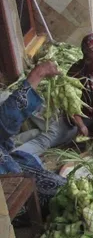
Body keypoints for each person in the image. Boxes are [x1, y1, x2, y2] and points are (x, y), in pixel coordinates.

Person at [0, 62, 66, 214]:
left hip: (7, 161)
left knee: (31, 161)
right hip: (6, 189)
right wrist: (37, 75)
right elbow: (6, 122)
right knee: (62, 194)